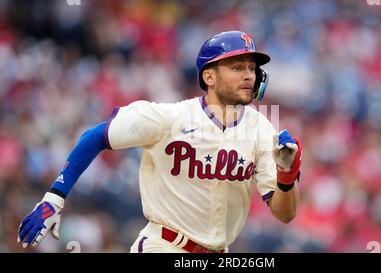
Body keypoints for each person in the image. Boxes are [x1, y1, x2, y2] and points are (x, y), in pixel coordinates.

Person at [17, 30, 303, 253]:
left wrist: (287, 175)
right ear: (209, 77)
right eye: (237, 67)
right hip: (164, 245)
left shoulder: (262, 131)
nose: (248, 75)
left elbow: (285, 213)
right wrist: (53, 199)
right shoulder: (168, 117)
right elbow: (95, 137)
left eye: (252, 69)